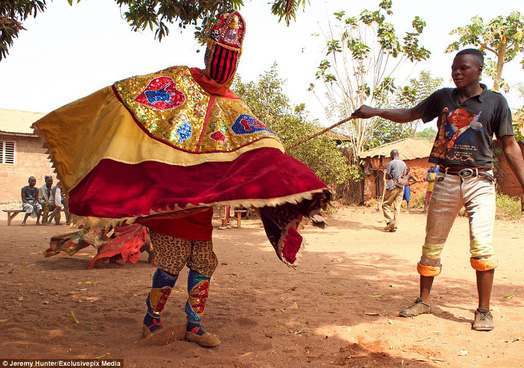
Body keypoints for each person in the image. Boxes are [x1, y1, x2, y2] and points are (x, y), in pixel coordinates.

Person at [33, 9, 330, 347]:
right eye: (221, 54)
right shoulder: (178, 80)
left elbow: (262, 144)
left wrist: (281, 166)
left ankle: (194, 325)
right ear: (208, 53)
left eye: (232, 59)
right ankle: (151, 321)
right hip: (169, 200)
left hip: (200, 205)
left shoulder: (232, 104)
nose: (225, 64)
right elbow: (130, 96)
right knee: (172, 266)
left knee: (204, 264)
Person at [352, 48, 524, 331]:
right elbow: (410, 114)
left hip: (480, 182)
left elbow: (510, 145)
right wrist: (374, 111)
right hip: (446, 180)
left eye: (463, 68)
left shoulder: (495, 103)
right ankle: (424, 301)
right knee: (432, 243)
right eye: (454, 68)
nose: (457, 72)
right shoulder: (443, 97)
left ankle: (484, 310)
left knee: (482, 246)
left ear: (479, 70)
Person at [382, 149, 407, 232]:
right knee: (397, 207)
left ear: (392, 155)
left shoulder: (391, 163)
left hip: (392, 186)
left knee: (386, 204)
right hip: (401, 188)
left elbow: (388, 175)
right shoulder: (404, 164)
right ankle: (395, 226)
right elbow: (404, 175)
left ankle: (390, 221)